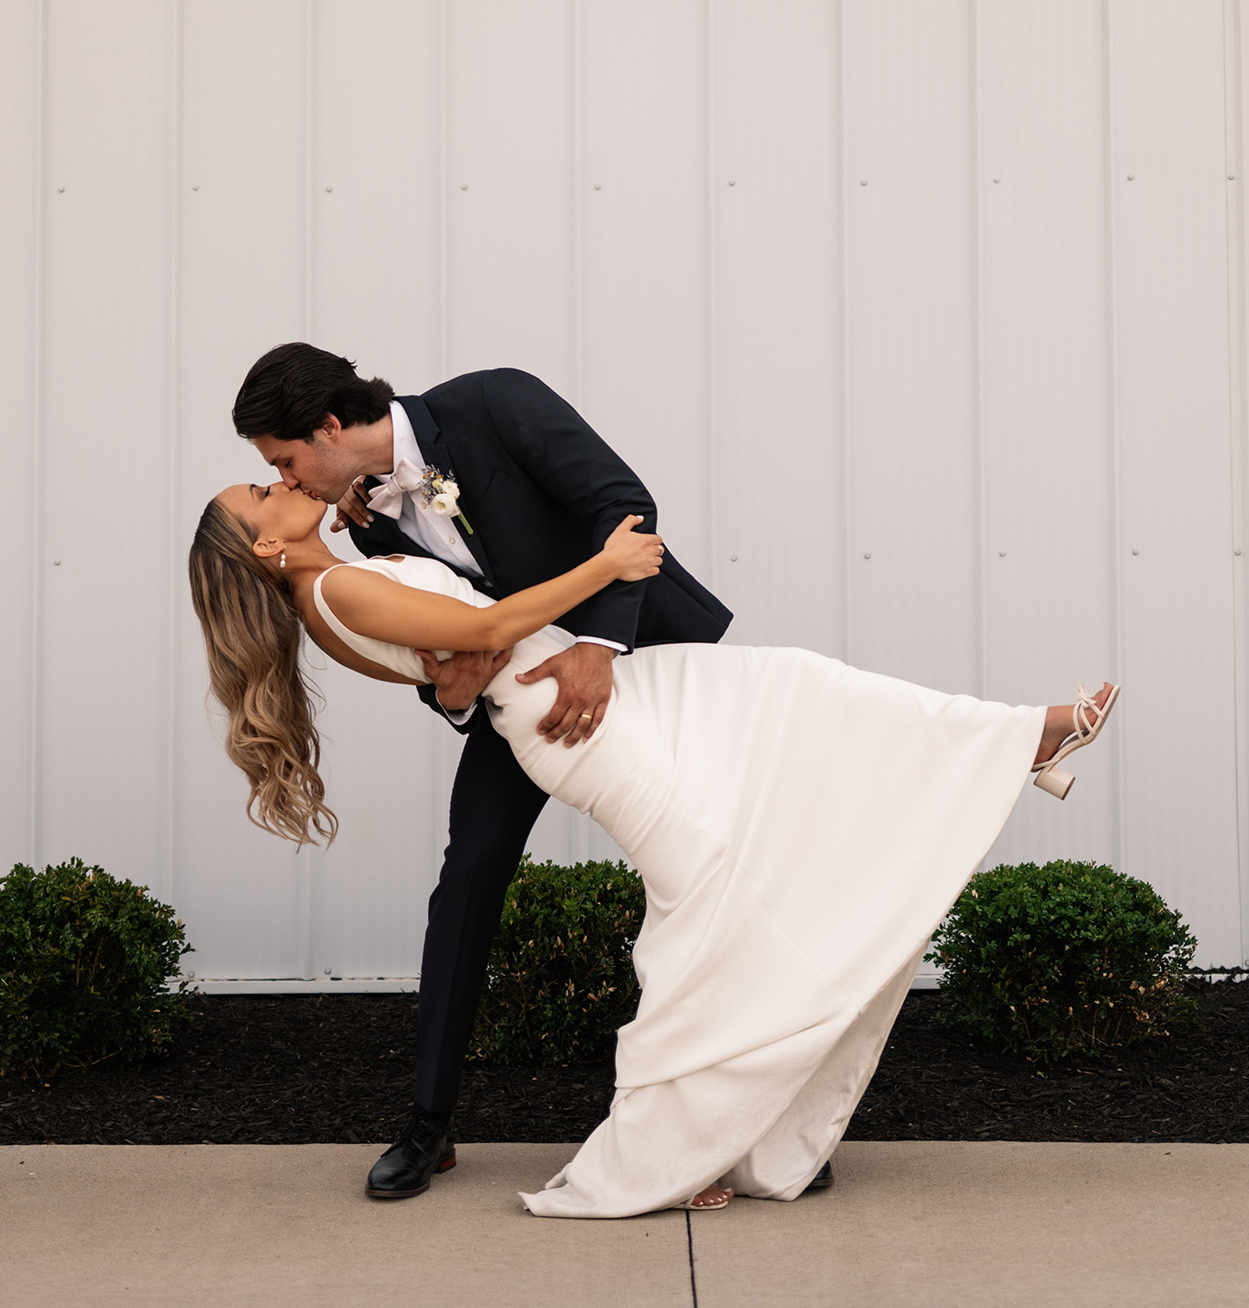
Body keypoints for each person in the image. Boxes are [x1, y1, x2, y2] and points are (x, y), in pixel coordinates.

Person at [188, 422, 1119, 1218]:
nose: (279, 482)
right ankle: (668, 1153)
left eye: (276, 464)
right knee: (707, 895)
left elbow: (459, 642)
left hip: (614, 685)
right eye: (259, 492)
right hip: (574, 718)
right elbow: (479, 632)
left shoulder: (343, 571)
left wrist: (455, 623)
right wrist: (607, 565)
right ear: (265, 549)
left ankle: (1012, 740)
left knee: (791, 688)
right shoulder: (332, 592)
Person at [221, 344, 732, 1200]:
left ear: (329, 426)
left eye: (284, 460)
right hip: (519, 705)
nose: (287, 479)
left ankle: (733, 1119)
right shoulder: (361, 518)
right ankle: (429, 1122)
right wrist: (451, 694)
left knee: (701, 876)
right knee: (467, 880)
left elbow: (623, 507)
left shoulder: (496, 401)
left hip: (652, 658)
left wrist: (601, 648)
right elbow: (425, 640)